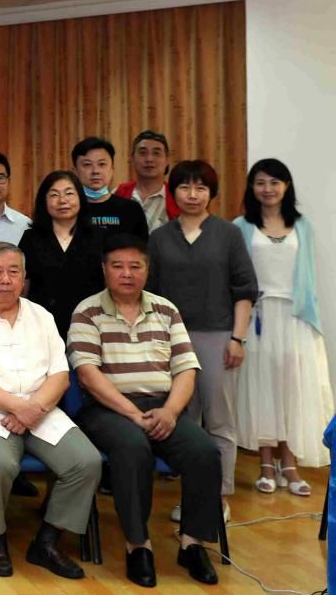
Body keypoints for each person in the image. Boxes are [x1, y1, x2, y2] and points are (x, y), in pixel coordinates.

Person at [68, 234, 222, 587]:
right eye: (118, 266)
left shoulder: (166, 310)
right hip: (107, 410)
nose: (127, 274)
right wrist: (132, 415)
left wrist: (170, 412)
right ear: (104, 269)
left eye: (135, 266)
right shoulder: (87, 311)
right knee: (133, 449)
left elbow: (186, 369)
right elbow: (88, 375)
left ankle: (192, 544)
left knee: (204, 451)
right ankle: (138, 546)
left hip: (163, 406)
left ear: (147, 270)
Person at [0, 242, 102, 580]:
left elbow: (60, 375)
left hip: (42, 409)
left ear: (24, 277)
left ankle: (47, 541)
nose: (5, 280)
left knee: (86, 462)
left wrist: (34, 409)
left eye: (13, 272)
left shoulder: (41, 316)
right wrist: (20, 408)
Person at [147, 159, 257, 522]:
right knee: (184, 421)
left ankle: (217, 499)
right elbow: (151, 294)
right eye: (184, 187)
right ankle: (192, 498)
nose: (192, 195)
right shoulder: (159, 237)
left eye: (201, 188)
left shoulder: (228, 234)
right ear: (173, 192)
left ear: (211, 193)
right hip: (171, 340)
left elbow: (244, 289)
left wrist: (237, 338)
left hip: (218, 336)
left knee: (220, 420)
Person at [234, 159, 332, 495]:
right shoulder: (240, 226)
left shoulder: (302, 226)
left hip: (295, 317)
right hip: (257, 318)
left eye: (275, 182)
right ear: (252, 187)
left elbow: (308, 277)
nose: (268, 189)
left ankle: (289, 463)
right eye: (260, 182)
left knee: (291, 389)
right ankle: (265, 463)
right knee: (262, 389)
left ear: (286, 186)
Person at [18, 171, 105, 338]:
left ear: (80, 198)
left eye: (69, 193)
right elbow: (23, 288)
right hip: (41, 329)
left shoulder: (99, 237)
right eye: (54, 195)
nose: (62, 200)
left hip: (90, 327)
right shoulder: (31, 238)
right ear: (44, 201)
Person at [71, 137, 148, 239]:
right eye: (87, 165)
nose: (95, 171)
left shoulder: (131, 210)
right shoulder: (67, 209)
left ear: (112, 170)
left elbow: (142, 247)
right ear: (75, 171)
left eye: (102, 164)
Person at [115, 131, 179, 233]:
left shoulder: (177, 198)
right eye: (142, 153)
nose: (149, 159)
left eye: (156, 153)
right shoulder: (118, 193)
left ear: (167, 160)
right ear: (132, 159)